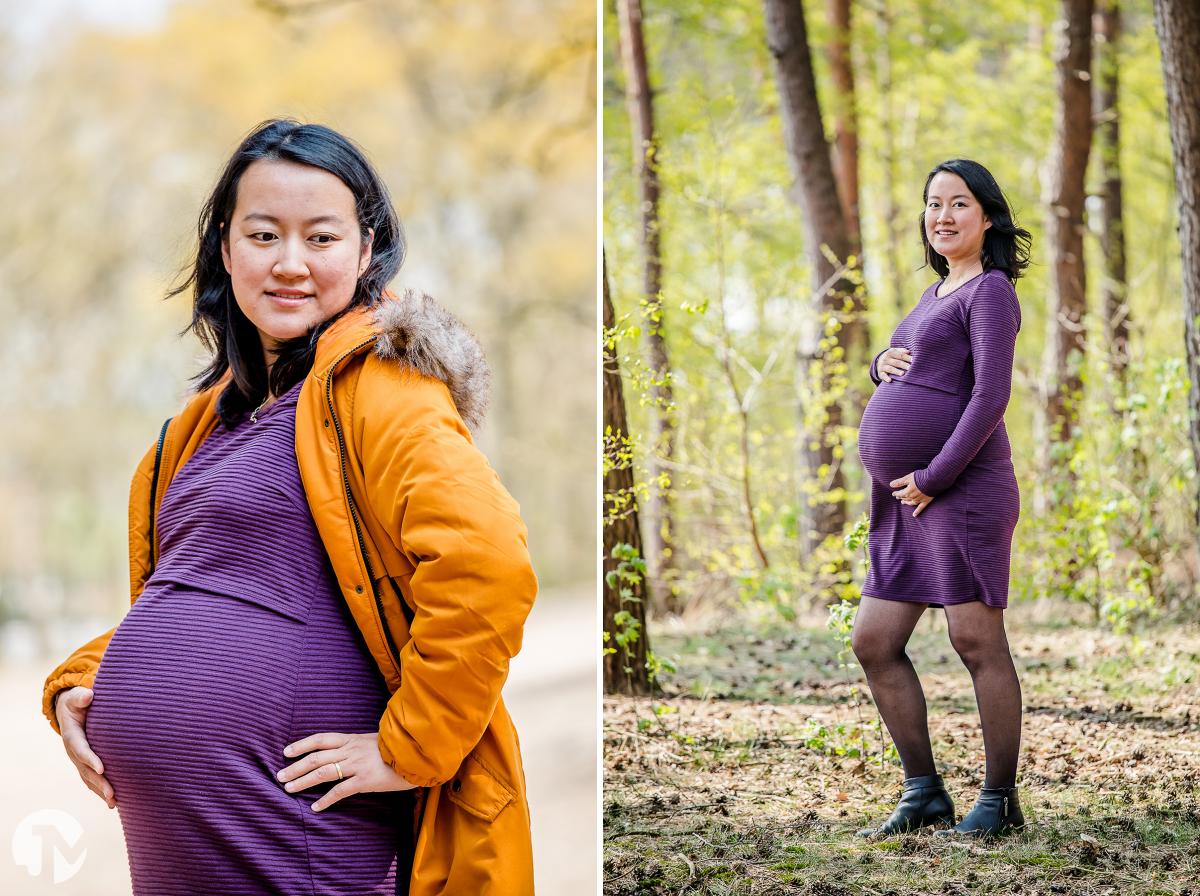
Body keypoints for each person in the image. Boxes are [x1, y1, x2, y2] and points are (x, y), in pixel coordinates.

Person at [40, 119, 538, 895]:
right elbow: (210, 591)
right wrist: (83, 684)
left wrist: (409, 748)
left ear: (367, 252)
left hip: (298, 841)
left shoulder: (385, 388)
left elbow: (489, 564)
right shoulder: (203, 424)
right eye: (264, 234)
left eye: (323, 237)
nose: (291, 263)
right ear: (225, 250)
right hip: (191, 850)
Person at [853, 158, 1031, 839]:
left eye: (959, 203)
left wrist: (936, 476)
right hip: (906, 502)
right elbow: (906, 360)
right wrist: (879, 366)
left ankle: (1000, 799)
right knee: (873, 640)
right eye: (934, 204)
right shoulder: (934, 295)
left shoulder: (988, 292)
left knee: (974, 637)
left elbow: (990, 395)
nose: (943, 215)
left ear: (986, 217)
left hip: (961, 489)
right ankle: (924, 792)